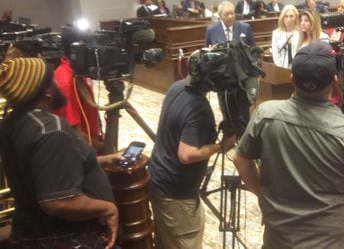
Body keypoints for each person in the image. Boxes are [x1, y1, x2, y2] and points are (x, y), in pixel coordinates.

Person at [233, 42, 344, 248]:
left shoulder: (265, 114)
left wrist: (261, 194)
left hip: (278, 240)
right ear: (335, 81)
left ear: (292, 79)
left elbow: (240, 159)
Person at [0, 57, 120, 248]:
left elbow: (47, 169)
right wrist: (108, 208)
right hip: (67, 237)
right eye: (52, 80)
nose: (57, 83)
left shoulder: (12, 122)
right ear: (47, 91)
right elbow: (58, 202)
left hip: (32, 231)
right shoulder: (52, 130)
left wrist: (104, 160)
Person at [148, 76, 237, 249]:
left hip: (159, 181)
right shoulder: (198, 108)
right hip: (176, 192)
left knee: (166, 241)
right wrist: (221, 145)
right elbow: (187, 155)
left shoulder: (177, 86)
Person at [53, 27, 104, 152]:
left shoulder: (79, 71)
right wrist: (103, 148)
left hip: (93, 140)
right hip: (85, 151)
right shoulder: (65, 82)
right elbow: (73, 132)